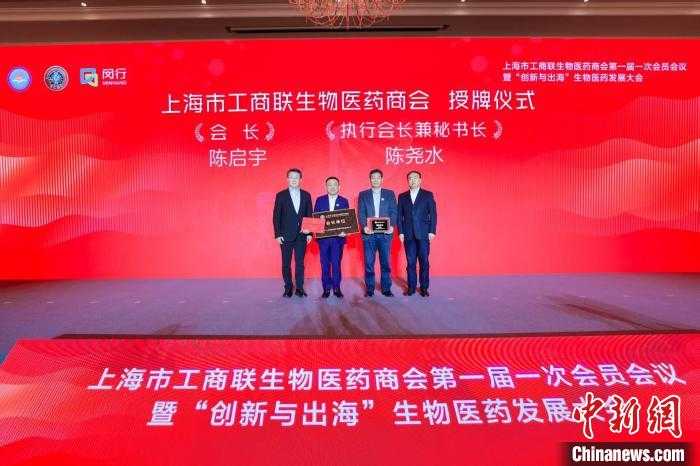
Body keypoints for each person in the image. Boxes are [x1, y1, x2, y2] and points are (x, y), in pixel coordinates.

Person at [273, 168, 313, 297]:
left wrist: (310, 233)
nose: (294, 179)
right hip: (285, 236)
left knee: (300, 263)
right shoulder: (281, 195)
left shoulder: (306, 195)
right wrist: (277, 234)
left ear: (301, 179)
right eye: (291, 177)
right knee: (286, 263)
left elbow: (309, 215)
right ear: (287, 179)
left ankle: (300, 288)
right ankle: (288, 287)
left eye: (296, 177)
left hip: (301, 235)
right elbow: (276, 216)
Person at [357, 169, 397, 297]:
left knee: (386, 262)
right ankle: (370, 289)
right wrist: (364, 227)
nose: (375, 179)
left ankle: (386, 288)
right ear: (370, 179)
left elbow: (394, 212)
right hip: (369, 234)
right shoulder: (363, 194)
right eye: (373, 177)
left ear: (382, 179)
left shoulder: (390, 194)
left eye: (378, 177)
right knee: (369, 263)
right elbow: (361, 213)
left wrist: (392, 226)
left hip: (385, 234)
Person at [398, 170, 437, 297]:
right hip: (408, 234)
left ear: (420, 180)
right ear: (407, 181)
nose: (412, 180)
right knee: (410, 262)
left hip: (424, 234)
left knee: (424, 261)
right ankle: (411, 287)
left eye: (415, 178)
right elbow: (399, 216)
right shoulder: (402, 196)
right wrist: (401, 232)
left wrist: (432, 231)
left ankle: (424, 288)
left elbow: (433, 214)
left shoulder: (428, 195)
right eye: (410, 178)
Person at [313, 176, 349, 298]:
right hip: (323, 239)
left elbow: (347, 220)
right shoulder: (320, 200)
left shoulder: (344, 201)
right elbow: (315, 218)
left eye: (335, 184)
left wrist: (345, 231)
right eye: (330, 184)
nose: (332, 187)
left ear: (339, 187)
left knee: (336, 264)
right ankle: (326, 288)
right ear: (326, 187)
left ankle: (337, 288)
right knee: (325, 264)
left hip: (338, 239)